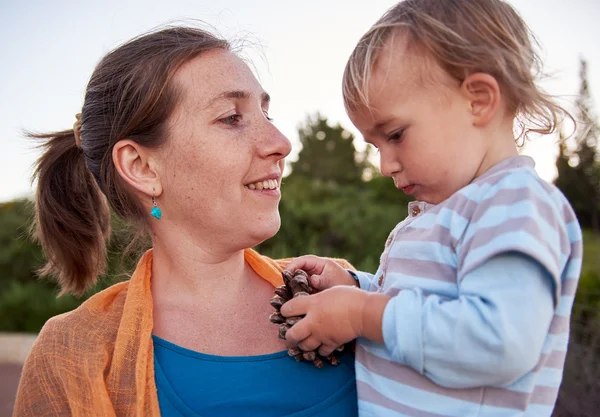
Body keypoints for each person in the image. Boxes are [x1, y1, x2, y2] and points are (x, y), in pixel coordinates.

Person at [14, 26, 358, 417]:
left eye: (267, 112)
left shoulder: (338, 289)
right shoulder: (74, 353)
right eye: (231, 118)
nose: (281, 142)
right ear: (141, 167)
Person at [279, 1, 583, 416]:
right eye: (375, 147)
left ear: (477, 100)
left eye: (396, 134)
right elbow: (423, 303)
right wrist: (355, 289)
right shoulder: (453, 209)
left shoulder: (515, 202)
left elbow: (500, 340)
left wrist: (360, 314)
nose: (385, 166)